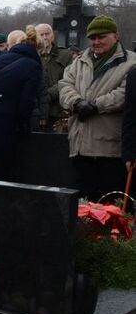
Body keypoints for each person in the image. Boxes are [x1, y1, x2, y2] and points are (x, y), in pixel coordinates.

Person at [58, 15, 136, 201]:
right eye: (93, 38)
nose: (96, 42)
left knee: (109, 206)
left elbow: (125, 94)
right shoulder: (79, 61)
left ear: (115, 36)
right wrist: (77, 102)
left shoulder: (131, 62)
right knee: (84, 206)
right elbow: (64, 85)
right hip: (80, 147)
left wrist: (95, 105)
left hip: (110, 149)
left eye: (102, 37)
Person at [0, 28, 42, 181]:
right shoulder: (33, 66)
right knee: (4, 175)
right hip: (5, 126)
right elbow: (26, 104)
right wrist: (24, 129)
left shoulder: (1, 59)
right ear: (38, 49)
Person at [36, 23, 74, 132]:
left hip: (59, 111)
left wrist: (48, 95)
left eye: (47, 34)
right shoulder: (32, 56)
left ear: (52, 35)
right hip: (38, 111)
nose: (44, 37)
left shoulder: (66, 55)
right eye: (41, 34)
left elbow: (68, 79)